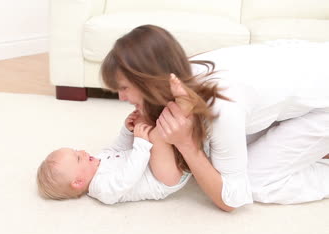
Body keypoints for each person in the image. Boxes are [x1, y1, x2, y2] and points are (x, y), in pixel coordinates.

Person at [101, 24, 329, 211]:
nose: (121, 98)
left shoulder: (220, 108)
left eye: (124, 88)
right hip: (311, 68)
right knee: (230, 151)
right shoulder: (182, 74)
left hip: (323, 99)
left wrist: (186, 145)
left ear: (148, 81)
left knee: (255, 181)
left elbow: (231, 200)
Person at [36, 111, 192, 204]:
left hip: (155, 162)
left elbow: (117, 148)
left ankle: (187, 123)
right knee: (155, 133)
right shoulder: (102, 190)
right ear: (78, 182)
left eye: (77, 150)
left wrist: (127, 130)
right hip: (163, 179)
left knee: (144, 118)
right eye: (78, 158)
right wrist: (141, 143)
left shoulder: (97, 160)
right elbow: (128, 177)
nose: (83, 152)